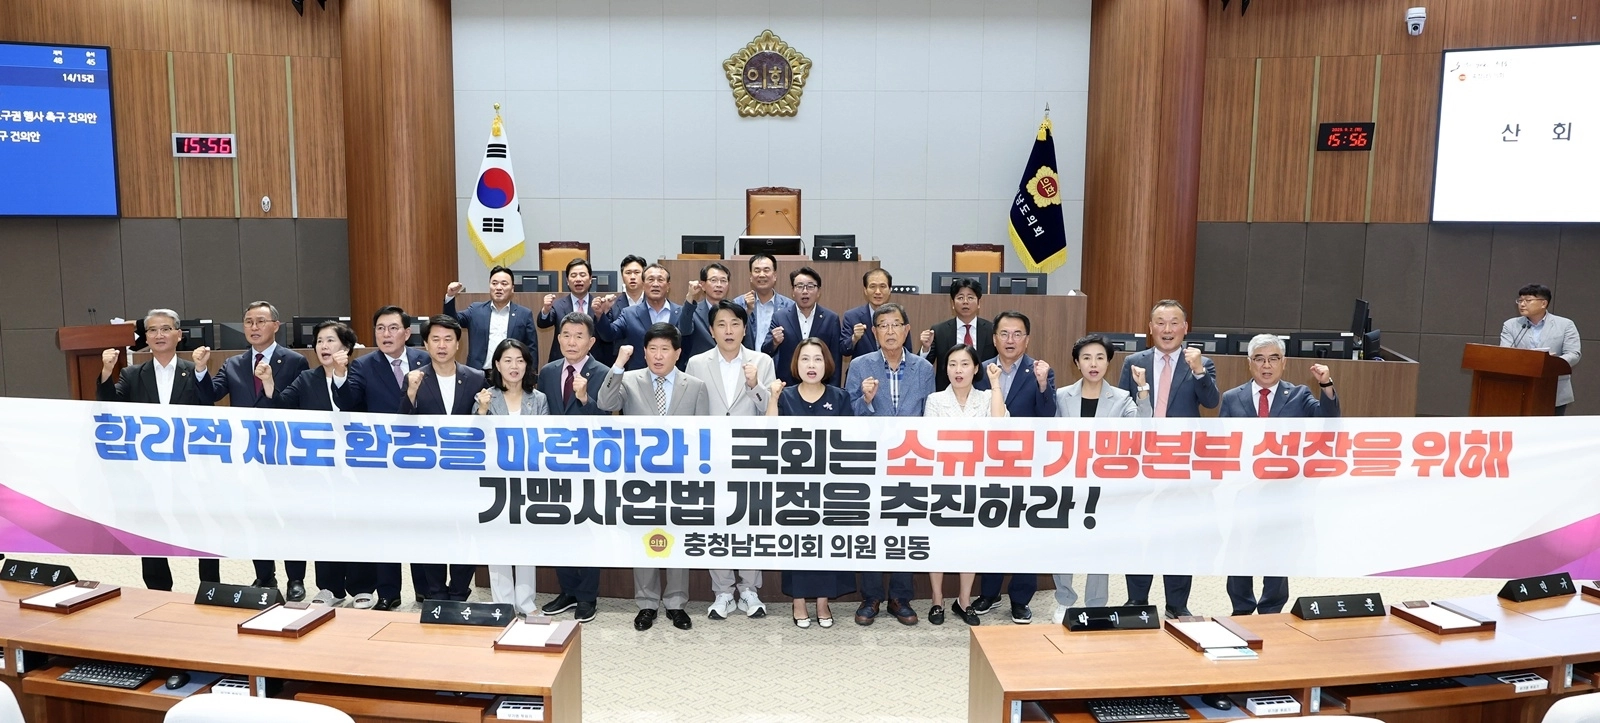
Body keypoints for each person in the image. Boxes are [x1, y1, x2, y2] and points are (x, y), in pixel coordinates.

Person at [192, 301, 311, 600]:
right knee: (256, 516)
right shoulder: (233, 363)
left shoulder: (295, 361)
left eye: (260, 321)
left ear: (276, 326)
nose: (254, 327)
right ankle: (265, 575)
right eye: (248, 322)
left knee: (289, 517)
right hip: (247, 453)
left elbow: (298, 404)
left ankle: (295, 579)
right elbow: (211, 394)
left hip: (283, 452)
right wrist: (201, 369)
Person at [596, 323, 711, 631]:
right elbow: (605, 403)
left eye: (665, 350)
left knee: (678, 539)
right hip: (640, 478)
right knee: (643, 538)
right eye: (653, 349)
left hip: (681, 477)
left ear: (677, 353)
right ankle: (646, 603)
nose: (658, 356)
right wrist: (618, 364)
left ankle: (676, 603)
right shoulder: (629, 379)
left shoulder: (695, 385)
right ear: (644, 352)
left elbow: (704, 434)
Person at [97, 308, 217, 592]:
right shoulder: (132, 374)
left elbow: (208, 407)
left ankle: (210, 586)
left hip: (190, 465)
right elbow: (109, 406)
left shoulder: (193, 369)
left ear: (179, 335)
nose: (159, 335)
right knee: (149, 527)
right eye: (152, 330)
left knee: (202, 525)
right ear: (146, 337)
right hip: (147, 468)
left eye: (165, 329)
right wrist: (106, 372)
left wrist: (202, 371)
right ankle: (158, 589)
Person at [1219, 333, 1340, 615]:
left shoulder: (1299, 395)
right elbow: (1222, 441)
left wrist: (1326, 385)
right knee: (1240, 549)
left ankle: (1271, 610)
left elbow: (1329, 421)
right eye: (1259, 359)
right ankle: (1241, 607)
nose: (1266, 365)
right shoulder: (1231, 398)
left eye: (1273, 359)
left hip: (1283, 490)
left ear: (1283, 363)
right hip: (1244, 488)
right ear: (1249, 363)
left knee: (1278, 551)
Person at [1115, 299, 1219, 619]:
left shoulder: (1201, 363)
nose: (1167, 329)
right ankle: (1137, 600)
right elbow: (1122, 407)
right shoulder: (1134, 361)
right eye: (1160, 323)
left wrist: (1199, 371)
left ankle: (1176, 603)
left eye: (1174, 323)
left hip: (1181, 459)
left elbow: (1211, 402)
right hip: (1142, 458)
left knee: (1179, 531)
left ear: (1185, 328)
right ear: (1150, 328)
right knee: (1140, 529)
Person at [270, 320, 375, 609]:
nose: (323, 346)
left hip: (356, 464)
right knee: (324, 524)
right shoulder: (307, 378)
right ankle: (330, 587)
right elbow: (282, 406)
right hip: (318, 467)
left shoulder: (360, 375)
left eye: (330, 340)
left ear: (347, 347)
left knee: (355, 523)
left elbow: (352, 405)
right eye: (319, 341)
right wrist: (268, 383)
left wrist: (341, 374)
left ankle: (362, 586)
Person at [332, 306, 431, 611]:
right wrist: (340, 374)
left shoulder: (425, 361)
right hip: (381, 458)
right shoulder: (362, 366)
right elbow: (348, 402)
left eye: (393, 328)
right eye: (380, 328)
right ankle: (389, 592)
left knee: (421, 524)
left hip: (420, 456)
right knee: (386, 525)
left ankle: (426, 590)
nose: (386, 334)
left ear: (407, 332)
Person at [1051, 334, 1152, 623]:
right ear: (1076, 363)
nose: (1093, 364)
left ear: (1108, 362)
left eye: (1099, 358)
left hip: (1104, 484)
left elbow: (1144, 427)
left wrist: (1142, 389)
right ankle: (1065, 600)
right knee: (1064, 543)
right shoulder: (1062, 396)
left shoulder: (1121, 398)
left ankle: (1095, 603)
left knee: (1100, 545)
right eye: (1086, 358)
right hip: (1068, 481)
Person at [683, 301, 775, 620]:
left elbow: (769, 409)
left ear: (744, 329)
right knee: (715, 521)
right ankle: (722, 591)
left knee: (750, 522)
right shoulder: (696, 363)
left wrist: (754, 386)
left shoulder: (761, 361)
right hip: (710, 456)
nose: (728, 331)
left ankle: (749, 589)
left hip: (750, 454)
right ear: (711, 330)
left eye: (735, 324)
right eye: (721, 324)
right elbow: (690, 408)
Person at [846, 302, 935, 625]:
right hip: (871, 459)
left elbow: (930, 415)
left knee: (905, 527)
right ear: (874, 332)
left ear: (907, 330)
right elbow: (847, 413)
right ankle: (871, 596)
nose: (890, 331)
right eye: (883, 325)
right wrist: (865, 400)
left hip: (911, 460)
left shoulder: (923, 368)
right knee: (871, 528)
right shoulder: (860, 365)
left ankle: (900, 596)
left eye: (896, 324)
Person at [970, 310, 1056, 623]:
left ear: (1027, 339)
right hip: (987, 464)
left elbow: (1049, 418)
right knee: (991, 528)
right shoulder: (979, 370)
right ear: (994, 339)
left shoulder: (1040, 371)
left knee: (1024, 533)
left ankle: (1020, 599)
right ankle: (989, 593)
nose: (1010, 340)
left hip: (1026, 464)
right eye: (1004, 334)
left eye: (1017, 334)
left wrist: (1044, 385)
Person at [765, 338, 856, 628]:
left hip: (829, 484)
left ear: (826, 364)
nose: (811, 365)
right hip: (794, 486)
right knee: (798, 544)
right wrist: (772, 398)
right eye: (805, 359)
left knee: (826, 543)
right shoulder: (786, 396)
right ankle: (799, 602)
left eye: (817, 359)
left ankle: (823, 602)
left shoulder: (840, 397)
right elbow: (769, 433)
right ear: (796, 364)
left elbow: (849, 442)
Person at [399, 315, 489, 602]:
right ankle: (436, 592)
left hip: (466, 471)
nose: (442, 345)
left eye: (448, 339)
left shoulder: (475, 377)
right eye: (435, 339)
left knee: (467, 532)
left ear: (458, 344)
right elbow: (401, 425)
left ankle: (459, 591)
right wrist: (410, 393)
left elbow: (484, 425)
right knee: (431, 534)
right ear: (425, 344)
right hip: (428, 474)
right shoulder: (414, 377)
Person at [923, 346, 1007, 626]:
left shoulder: (987, 398)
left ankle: (964, 600)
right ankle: (937, 599)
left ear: (975, 368)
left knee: (969, 542)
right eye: (952, 364)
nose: (958, 370)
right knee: (939, 541)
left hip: (977, 481)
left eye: (964, 364)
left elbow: (1000, 425)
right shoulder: (935, 400)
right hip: (943, 481)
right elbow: (930, 440)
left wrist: (995, 383)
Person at [535, 313, 610, 624]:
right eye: (566, 335)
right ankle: (567, 590)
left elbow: (607, 421)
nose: (571, 341)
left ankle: (587, 596)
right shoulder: (548, 372)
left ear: (591, 341)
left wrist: (584, 399)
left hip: (589, 463)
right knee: (559, 527)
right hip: (554, 463)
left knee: (588, 528)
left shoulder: (604, 373)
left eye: (579, 336)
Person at [474, 338, 550, 617]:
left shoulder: (539, 399)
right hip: (494, 481)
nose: (514, 366)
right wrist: (482, 410)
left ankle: (526, 602)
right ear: (497, 364)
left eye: (519, 360)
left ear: (527, 365)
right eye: (507, 360)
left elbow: (545, 440)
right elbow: (475, 439)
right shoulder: (485, 397)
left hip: (528, 479)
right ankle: (502, 602)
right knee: (497, 541)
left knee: (526, 541)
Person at [1500, 283, 1581, 415]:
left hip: (1554, 389)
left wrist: (1553, 363)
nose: (1522, 304)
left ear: (1543, 303)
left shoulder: (1565, 325)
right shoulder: (1511, 325)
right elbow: (1505, 354)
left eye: (1528, 300)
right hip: (1519, 388)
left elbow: (1574, 354)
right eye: (1520, 300)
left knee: (1551, 427)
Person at [443, 264, 539, 369]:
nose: (498, 288)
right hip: (479, 374)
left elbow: (532, 349)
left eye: (504, 284)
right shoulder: (476, 310)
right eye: (494, 283)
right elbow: (451, 322)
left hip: (510, 373)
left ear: (512, 288)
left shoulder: (524, 314)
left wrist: (531, 374)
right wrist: (450, 296)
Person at [597, 263, 684, 371]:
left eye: (660, 280)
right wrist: (600, 315)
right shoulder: (629, 314)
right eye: (650, 280)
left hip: (673, 374)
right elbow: (609, 335)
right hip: (638, 376)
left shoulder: (680, 312)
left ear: (668, 285)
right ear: (643, 285)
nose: (655, 284)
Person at [765, 267, 844, 385]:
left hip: (821, 386)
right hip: (788, 386)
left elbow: (835, 359)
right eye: (800, 286)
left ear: (818, 292)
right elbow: (766, 351)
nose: (805, 291)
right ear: (793, 291)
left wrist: (834, 390)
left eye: (810, 286)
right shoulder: (780, 317)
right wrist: (774, 342)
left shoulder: (831, 319)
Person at [918, 278, 996, 391]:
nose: (965, 302)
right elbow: (923, 367)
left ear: (979, 303)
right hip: (947, 393)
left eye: (970, 298)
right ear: (953, 304)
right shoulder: (939, 331)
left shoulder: (991, 330)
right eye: (960, 298)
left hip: (983, 392)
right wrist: (925, 349)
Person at [536, 257, 608, 365]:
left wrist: (600, 315)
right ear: (567, 281)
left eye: (582, 275)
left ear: (590, 279)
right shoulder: (558, 305)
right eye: (573, 275)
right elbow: (543, 324)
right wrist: (546, 310)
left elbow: (607, 335)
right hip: (562, 363)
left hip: (593, 364)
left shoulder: (599, 305)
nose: (578, 279)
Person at [733, 253, 795, 353]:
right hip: (747, 360)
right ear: (750, 276)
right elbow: (733, 334)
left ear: (775, 276)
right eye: (757, 271)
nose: (761, 275)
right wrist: (747, 311)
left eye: (766, 270)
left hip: (776, 361)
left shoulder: (789, 306)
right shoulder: (738, 304)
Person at [677, 262, 735, 362]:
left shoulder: (736, 311)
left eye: (723, 281)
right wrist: (690, 297)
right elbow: (684, 330)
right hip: (701, 366)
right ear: (703, 285)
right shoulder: (693, 310)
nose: (719, 285)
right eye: (713, 280)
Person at [841, 268, 894, 361]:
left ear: (890, 290)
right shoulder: (852, 316)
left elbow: (907, 350)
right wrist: (854, 338)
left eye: (882, 286)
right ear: (865, 290)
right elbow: (843, 350)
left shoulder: (898, 317)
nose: (878, 291)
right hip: (861, 370)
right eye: (872, 286)